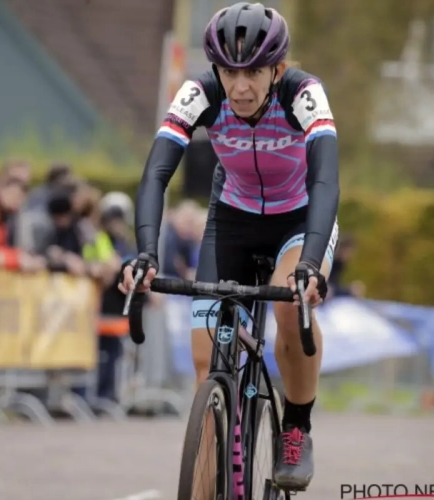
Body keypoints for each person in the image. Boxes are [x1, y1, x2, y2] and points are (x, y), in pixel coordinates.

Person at [119, 3, 340, 494]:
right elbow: (157, 172)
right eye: (229, 71)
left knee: (288, 306)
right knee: (208, 366)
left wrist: (310, 265)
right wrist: (146, 252)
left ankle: (296, 428)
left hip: (299, 220)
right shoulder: (201, 93)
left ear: (276, 68)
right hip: (232, 219)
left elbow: (325, 179)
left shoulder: (304, 93)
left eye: (255, 71)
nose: (240, 86)